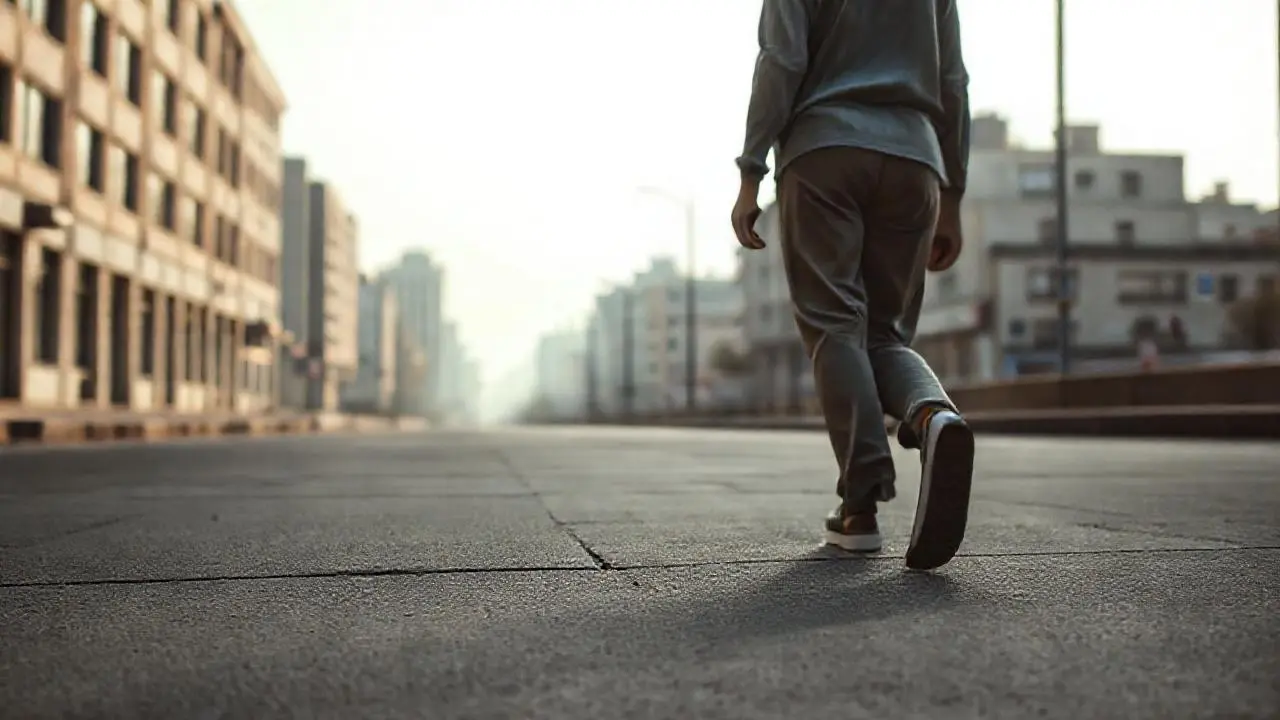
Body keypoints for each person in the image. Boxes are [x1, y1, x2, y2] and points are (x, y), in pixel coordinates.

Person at [730, 0, 975, 571]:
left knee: (834, 323)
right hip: (916, 158)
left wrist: (750, 170)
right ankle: (934, 417)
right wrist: (955, 195)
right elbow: (954, 81)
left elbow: (780, 60)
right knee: (886, 335)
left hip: (824, 152)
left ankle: (860, 506)